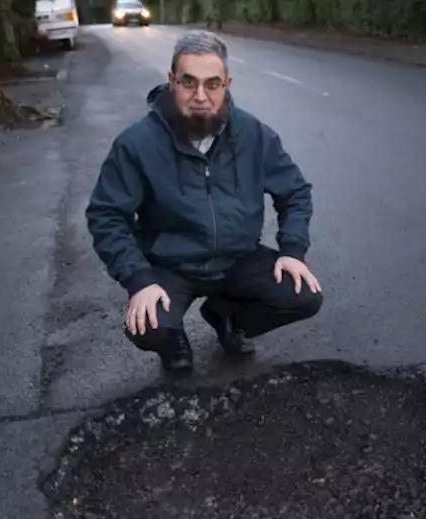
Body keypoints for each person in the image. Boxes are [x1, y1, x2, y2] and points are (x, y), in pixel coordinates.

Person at [86, 30, 323, 373]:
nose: (201, 96)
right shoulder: (137, 143)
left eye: (213, 84)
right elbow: (106, 215)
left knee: (304, 296)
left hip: (237, 258)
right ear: (171, 81)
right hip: (171, 265)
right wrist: (139, 280)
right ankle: (173, 338)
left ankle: (227, 316)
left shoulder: (253, 134)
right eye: (188, 82)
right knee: (147, 326)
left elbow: (296, 193)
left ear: (227, 83)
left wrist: (292, 251)